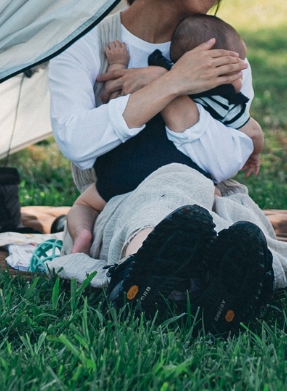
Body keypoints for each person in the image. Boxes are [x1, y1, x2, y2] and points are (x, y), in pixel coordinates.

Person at [48, 0, 278, 334]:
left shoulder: (219, 50)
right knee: (169, 205)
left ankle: (173, 287)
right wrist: (172, 83)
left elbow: (226, 159)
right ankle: (171, 279)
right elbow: (77, 144)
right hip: (123, 201)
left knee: (236, 227)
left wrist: (172, 91)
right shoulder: (86, 43)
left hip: (208, 197)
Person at [63, 14, 264, 254]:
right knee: (213, 195)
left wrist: (118, 64)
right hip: (178, 169)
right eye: (239, 70)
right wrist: (255, 153)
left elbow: (114, 95)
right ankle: (202, 245)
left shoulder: (158, 71)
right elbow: (253, 132)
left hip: (124, 166)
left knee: (85, 203)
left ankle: (82, 235)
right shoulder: (226, 101)